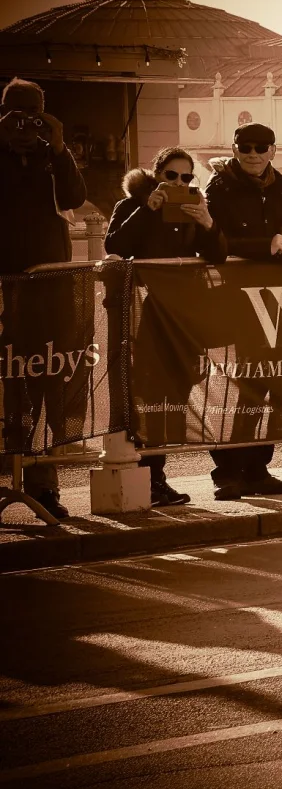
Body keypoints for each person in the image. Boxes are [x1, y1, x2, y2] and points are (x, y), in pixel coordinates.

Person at [203, 123, 282, 501]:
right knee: (249, 385)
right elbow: (214, 243)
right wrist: (263, 243)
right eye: (245, 148)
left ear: (272, 150)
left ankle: (258, 468)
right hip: (242, 299)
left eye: (260, 148)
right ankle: (229, 471)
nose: (253, 154)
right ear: (235, 149)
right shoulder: (218, 188)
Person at [106, 148, 226, 507]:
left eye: (186, 178)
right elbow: (115, 245)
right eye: (171, 176)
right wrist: (149, 208)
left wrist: (207, 222)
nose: (178, 183)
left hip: (183, 315)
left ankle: (159, 477)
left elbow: (218, 253)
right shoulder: (132, 205)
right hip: (145, 315)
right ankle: (147, 475)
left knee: (174, 395)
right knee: (148, 397)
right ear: (156, 174)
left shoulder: (193, 206)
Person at [0, 78, 88, 520]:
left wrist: (57, 146)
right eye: (14, 116)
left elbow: (76, 197)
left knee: (49, 384)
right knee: (8, 391)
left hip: (48, 290)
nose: (22, 126)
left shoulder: (50, 157)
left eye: (31, 116)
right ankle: (9, 476)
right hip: (6, 291)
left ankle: (45, 485)